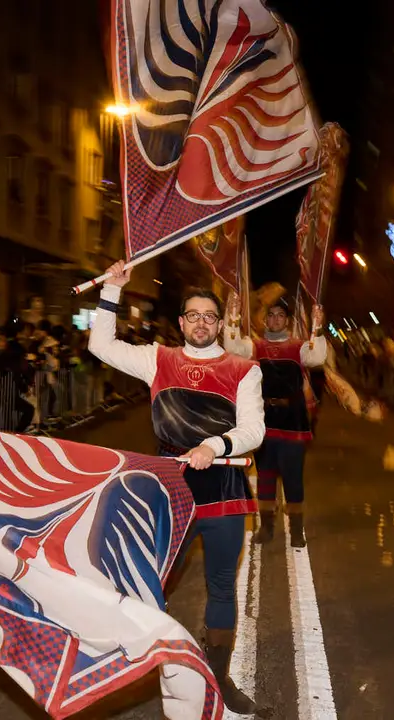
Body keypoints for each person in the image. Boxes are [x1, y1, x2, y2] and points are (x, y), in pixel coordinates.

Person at [88, 261, 263, 714]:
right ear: (181, 322)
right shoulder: (158, 359)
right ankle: (149, 664)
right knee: (148, 585)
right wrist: (112, 290)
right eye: (193, 315)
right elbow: (100, 344)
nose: (202, 323)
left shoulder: (244, 369)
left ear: (219, 323)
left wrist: (214, 444)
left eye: (210, 316)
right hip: (169, 491)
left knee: (221, 587)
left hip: (224, 488)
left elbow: (253, 430)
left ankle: (219, 680)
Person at [227, 298, 327, 547]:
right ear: (265, 320)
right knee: (266, 476)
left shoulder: (299, 347)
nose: (275, 319)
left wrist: (318, 327)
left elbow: (317, 357)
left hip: (293, 422)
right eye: (270, 315)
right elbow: (232, 348)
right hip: (265, 421)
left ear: (288, 321)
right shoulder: (255, 346)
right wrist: (232, 318)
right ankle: (267, 528)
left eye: (280, 315)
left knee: (293, 479)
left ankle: (296, 531)